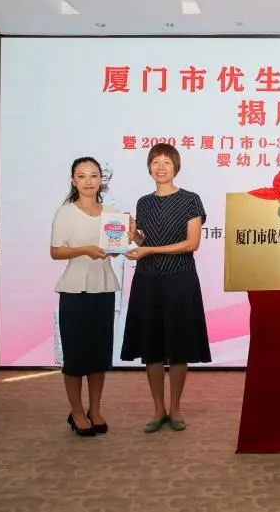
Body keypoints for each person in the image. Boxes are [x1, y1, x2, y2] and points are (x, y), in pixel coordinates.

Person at [121, 143, 211, 433]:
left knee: (179, 347)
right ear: (149, 167)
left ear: (176, 167)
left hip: (180, 280)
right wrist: (135, 237)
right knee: (152, 349)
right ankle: (158, 408)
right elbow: (144, 241)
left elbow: (191, 243)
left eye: (167, 162)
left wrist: (149, 250)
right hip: (148, 280)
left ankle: (175, 409)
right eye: (156, 162)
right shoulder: (143, 203)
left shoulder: (190, 200)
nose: (161, 167)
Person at [50, 156, 120, 437]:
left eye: (93, 175)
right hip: (75, 291)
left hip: (103, 288)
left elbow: (119, 247)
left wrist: (130, 237)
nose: (88, 181)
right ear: (73, 181)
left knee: (99, 355)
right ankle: (77, 412)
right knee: (76, 357)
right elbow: (55, 251)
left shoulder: (112, 213)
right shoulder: (65, 213)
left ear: (101, 179)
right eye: (82, 176)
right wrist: (84, 249)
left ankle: (95, 409)